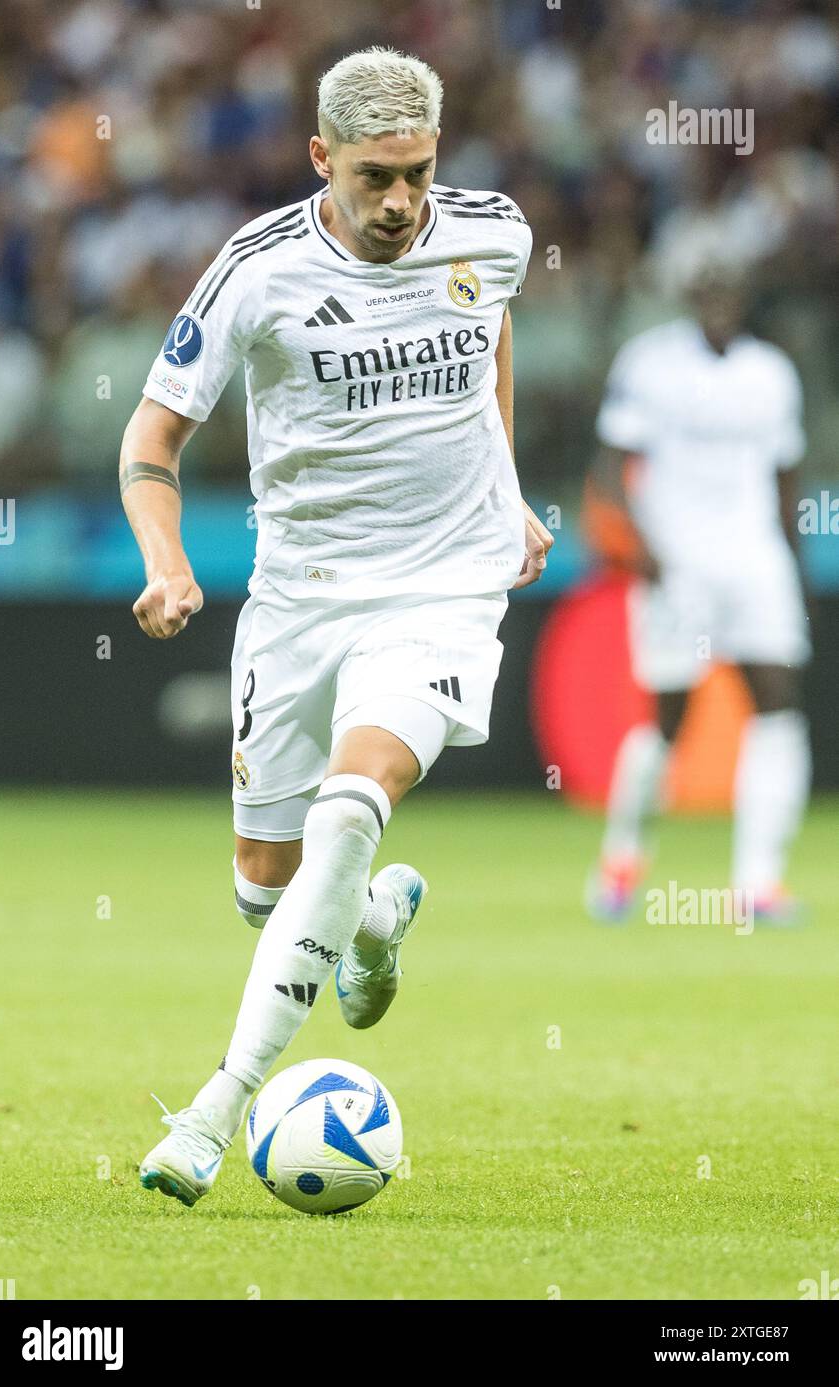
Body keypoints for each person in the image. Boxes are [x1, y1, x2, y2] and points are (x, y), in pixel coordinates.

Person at [120, 47, 553, 1206]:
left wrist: (504, 488)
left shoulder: (491, 232)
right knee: (265, 882)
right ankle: (366, 922)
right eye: (375, 177)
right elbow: (150, 442)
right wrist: (165, 564)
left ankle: (218, 1105)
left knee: (354, 800)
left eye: (418, 172)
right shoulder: (254, 271)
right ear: (322, 157)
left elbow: (491, 327)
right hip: (302, 599)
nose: (402, 202)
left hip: (444, 590)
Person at [587, 262, 811, 924]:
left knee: (776, 704)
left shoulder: (770, 372)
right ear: (691, 294)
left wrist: (791, 569)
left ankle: (758, 882)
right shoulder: (650, 364)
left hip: (754, 562)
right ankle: (622, 856)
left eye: (728, 287)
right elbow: (607, 463)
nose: (718, 299)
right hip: (677, 561)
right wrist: (637, 545)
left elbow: (784, 478)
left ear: (743, 296)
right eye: (706, 287)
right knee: (670, 717)